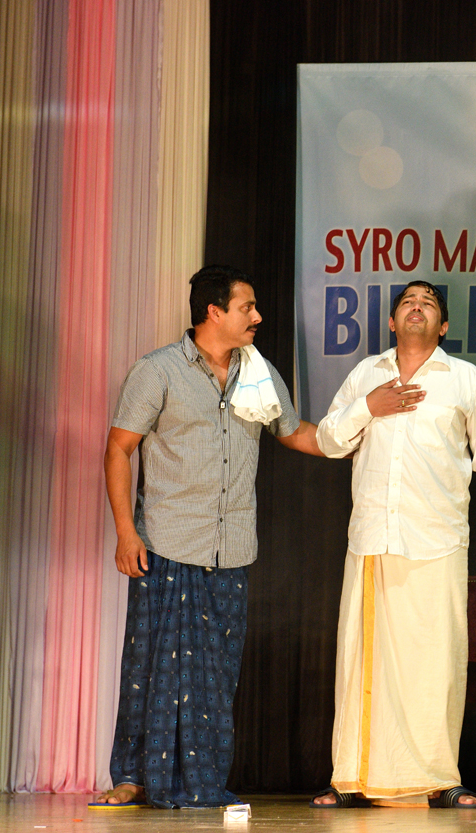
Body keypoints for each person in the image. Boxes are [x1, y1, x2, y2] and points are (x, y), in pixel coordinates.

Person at [94, 265, 324, 809]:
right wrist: (126, 532)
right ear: (214, 312)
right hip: (167, 543)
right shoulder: (158, 370)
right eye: (247, 307)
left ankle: (201, 782)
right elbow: (118, 449)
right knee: (150, 666)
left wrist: (364, 432)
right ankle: (133, 776)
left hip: (231, 549)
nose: (258, 317)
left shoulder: (258, 371)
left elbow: (294, 432)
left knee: (216, 675)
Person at [313, 280, 476, 809]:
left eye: (428, 303)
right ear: (391, 322)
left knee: (435, 664)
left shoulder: (465, 379)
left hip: (437, 538)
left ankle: (437, 780)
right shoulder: (367, 374)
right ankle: (350, 780)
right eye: (408, 301)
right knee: (363, 663)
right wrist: (369, 407)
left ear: (443, 326)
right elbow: (329, 441)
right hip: (373, 539)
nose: (417, 307)